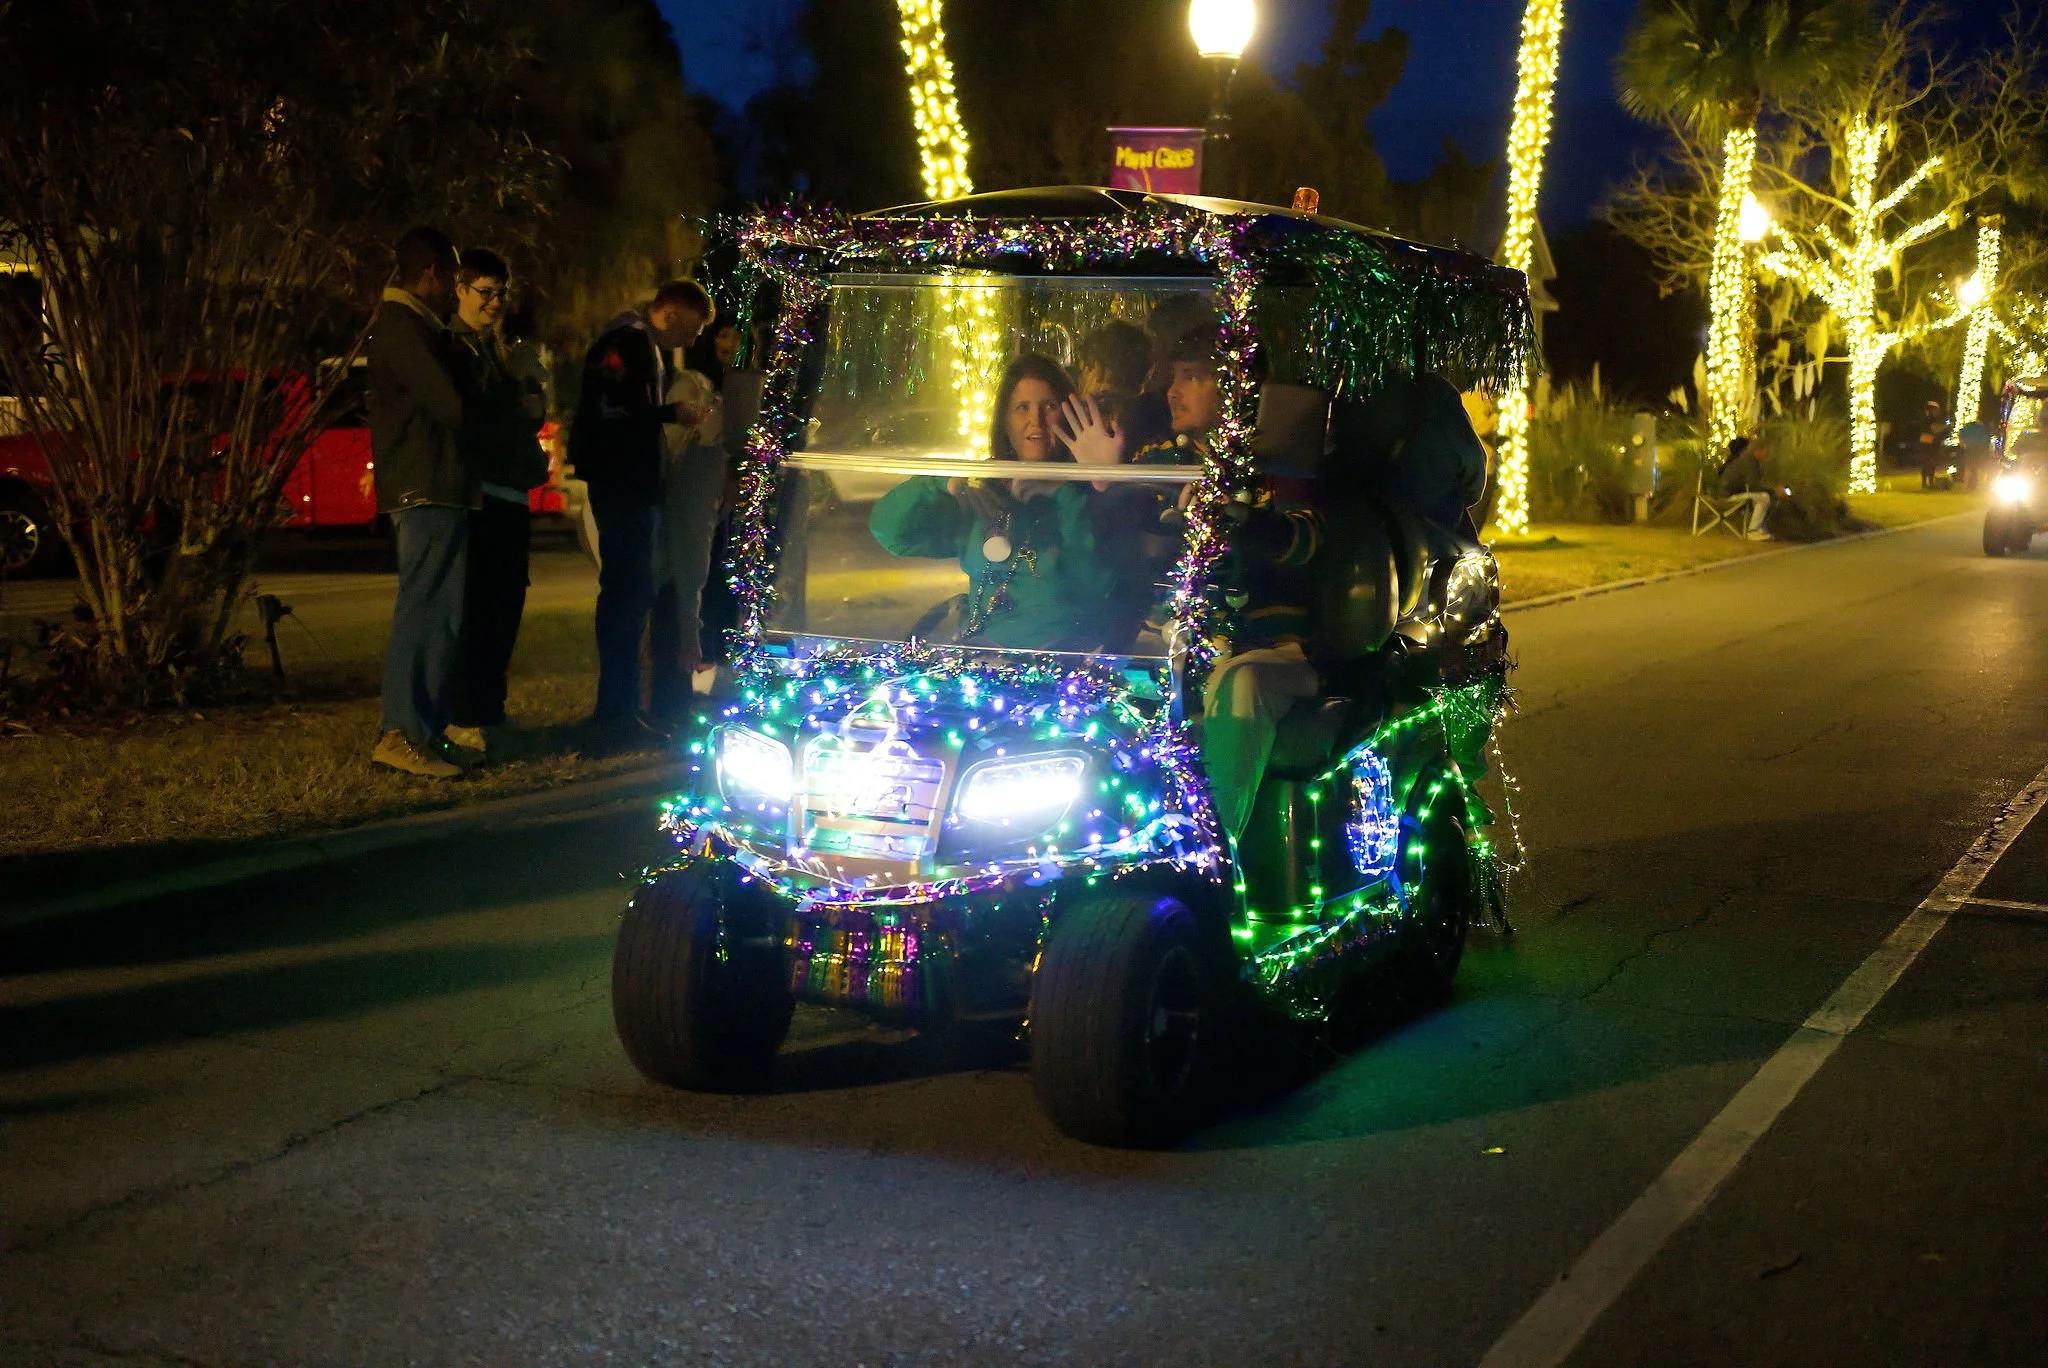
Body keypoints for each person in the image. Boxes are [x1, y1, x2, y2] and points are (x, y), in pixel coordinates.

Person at [869, 354, 1125, 649]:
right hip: (982, 662)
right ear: (1004, 421)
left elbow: (1097, 583)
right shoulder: (984, 491)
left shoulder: (1090, 493)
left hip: (1063, 666)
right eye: (1022, 408)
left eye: (1049, 407)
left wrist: (1075, 487)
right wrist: (944, 484)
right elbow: (891, 532)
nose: (1036, 421)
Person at [568, 279, 713, 745]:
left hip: (631, 484)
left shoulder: (637, 344)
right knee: (626, 596)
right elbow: (614, 411)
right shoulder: (626, 343)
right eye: (692, 329)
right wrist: (671, 414)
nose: (693, 341)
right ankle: (616, 711)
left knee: (630, 597)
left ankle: (623, 706)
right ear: (670, 313)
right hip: (623, 484)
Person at [367, 226, 475, 780]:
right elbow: (449, 403)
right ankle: (400, 731)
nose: (456, 289)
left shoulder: (420, 328)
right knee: (423, 608)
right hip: (423, 485)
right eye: (453, 276)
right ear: (429, 272)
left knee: (443, 616)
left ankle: (425, 731)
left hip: (442, 485)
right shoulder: (403, 328)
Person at [444, 249, 549, 756]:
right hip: (481, 496)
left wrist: (531, 403)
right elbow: (475, 420)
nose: (495, 302)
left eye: (500, 292)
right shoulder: (455, 347)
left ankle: (490, 710)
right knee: (479, 608)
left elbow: (520, 414)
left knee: (505, 607)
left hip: (511, 492)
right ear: (459, 289)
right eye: (484, 291)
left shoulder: (499, 348)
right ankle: (463, 713)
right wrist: (517, 405)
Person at [1716, 435, 1774, 539]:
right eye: (1766, 451)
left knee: (1763, 497)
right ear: (1759, 450)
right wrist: (1773, 490)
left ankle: (1759, 528)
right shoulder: (1749, 462)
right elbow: (1754, 485)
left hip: (1732, 494)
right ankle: (1753, 530)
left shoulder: (1748, 461)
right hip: (1728, 497)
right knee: (1764, 497)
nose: (1768, 454)